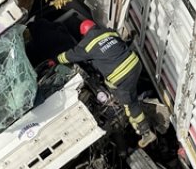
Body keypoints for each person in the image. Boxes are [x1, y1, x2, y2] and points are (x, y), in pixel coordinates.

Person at [56, 19, 156, 147]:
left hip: (121, 76)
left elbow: (70, 56)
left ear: (83, 34)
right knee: (112, 84)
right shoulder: (109, 32)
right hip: (135, 64)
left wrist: (57, 58)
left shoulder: (86, 45)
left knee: (130, 104)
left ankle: (145, 132)